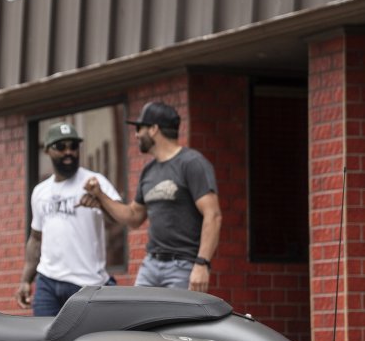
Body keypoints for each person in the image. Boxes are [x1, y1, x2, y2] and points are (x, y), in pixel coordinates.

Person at [81, 101, 221, 292]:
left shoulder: (191, 163)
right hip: (151, 264)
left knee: (175, 321)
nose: (137, 134)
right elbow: (133, 217)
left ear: (154, 129)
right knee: (138, 318)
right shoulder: (149, 170)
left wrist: (202, 264)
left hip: (183, 266)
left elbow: (213, 215)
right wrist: (100, 198)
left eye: (140, 128)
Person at [16, 122, 122, 316]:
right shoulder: (40, 192)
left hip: (87, 284)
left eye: (73, 146)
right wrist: (25, 280)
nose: (68, 152)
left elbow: (120, 218)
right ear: (47, 150)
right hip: (47, 283)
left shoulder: (94, 182)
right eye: (61, 147)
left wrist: (101, 201)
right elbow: (36, 238)